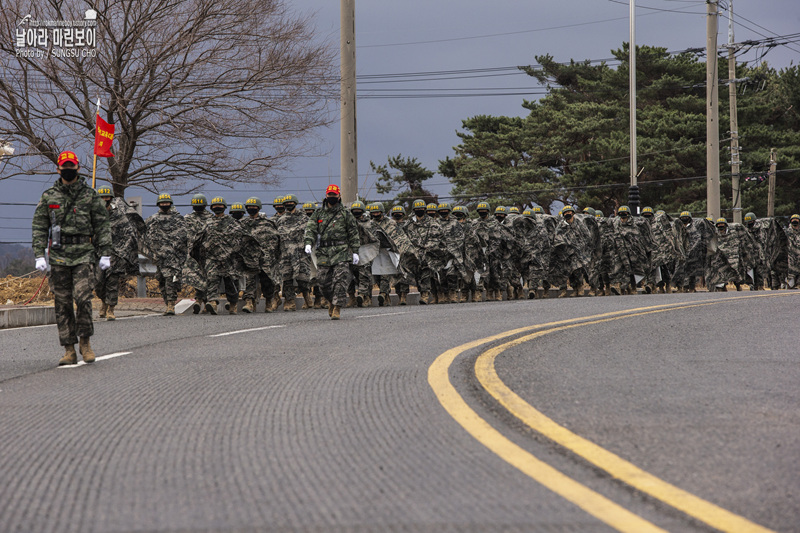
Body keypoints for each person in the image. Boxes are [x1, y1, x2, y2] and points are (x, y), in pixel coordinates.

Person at [32, 150, 112, 365]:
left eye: (71, 167)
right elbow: (40, 226)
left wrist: (105, 252)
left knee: (83, 298)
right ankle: (69, 349)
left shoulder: (90, 195)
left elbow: (102, 224)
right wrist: (40, 254)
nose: (68, 170)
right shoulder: (49, 196)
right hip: (59, 256)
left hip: (84, 253)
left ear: (78, 168)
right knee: (62, 303)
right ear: (58, 169)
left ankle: (85, 343)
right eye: (64, 167)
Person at [304, 184, 361, 320]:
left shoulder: (346, 214)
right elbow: (311, 229)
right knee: (322, 282)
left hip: (341, 252)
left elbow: (353, 233)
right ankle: (331, 301)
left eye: (334, 195)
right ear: (326, 195)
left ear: (339, 196)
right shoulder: (318, 213)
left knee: (340, 281)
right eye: (330, 195)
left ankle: (337, 307)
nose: (332, 197)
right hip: (324, 252)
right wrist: (308, 243)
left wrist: (355, 251)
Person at [95, 187, 139, 320]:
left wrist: (122, 251)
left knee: (112, 282)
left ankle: (111, 309)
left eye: (106, 198)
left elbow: (129, 234)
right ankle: (103, 301)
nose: (104, 200)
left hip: (115, 254)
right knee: (98, 283)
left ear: (110, 198)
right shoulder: (93, 215)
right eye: (101, 198)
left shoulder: (119, 215)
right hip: (98, 254)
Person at [143, 194, 188, 315]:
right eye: (162, 203)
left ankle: (171, 305)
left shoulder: (178, 219)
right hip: (159, 256)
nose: (164, 205)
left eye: (166, 203)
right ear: (158, 204)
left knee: (170, 279)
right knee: (161, 280)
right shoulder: (153, 219)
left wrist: (176, 250)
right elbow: (145, 235)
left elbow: (184, 236)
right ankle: (167, 302)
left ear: (170, 204)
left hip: (173, 256)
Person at [240, 197, 281, 313]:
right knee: (250, 280)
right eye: (249, 207)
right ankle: (249, 302)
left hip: (265, 258)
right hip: (249, 258)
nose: (251, 209)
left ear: (258, 208)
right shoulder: (243, 224)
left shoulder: (268, 224)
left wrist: (273, 256)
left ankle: (268, 301)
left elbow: (276, 241)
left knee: (267, 281)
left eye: (253, 207)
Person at [203, 197, 243, 314]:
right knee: (212, 278)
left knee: (231, 282)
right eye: (215, 206)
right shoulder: (208, 223)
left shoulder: (232, 222)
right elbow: (201, 238)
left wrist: (231, 251)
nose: (217, 208)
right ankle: (213, 302)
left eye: (219, 206)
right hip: (212, 258)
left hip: (229, 258)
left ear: (224, 208)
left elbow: (239, 238)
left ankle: (233, 304)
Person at [278, 194, 312, 311]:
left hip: (301, 252)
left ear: (295, 203)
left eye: (290, 203)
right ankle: (290, 301)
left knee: (303, 278)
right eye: (286, 203)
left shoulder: (304, 218)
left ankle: (307, 297)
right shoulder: (281, 220)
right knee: (286, 278)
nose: (288, 205)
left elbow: (310, 233)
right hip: (286, 253)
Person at [183, 193, 212, 313]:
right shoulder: (187, 218)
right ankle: (200, 299)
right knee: (196, 277)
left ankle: (204, 301)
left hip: (207, 252)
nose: (197, 207)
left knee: (208, 277)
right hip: (193, 253)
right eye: (195, 205)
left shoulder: (211, 218)